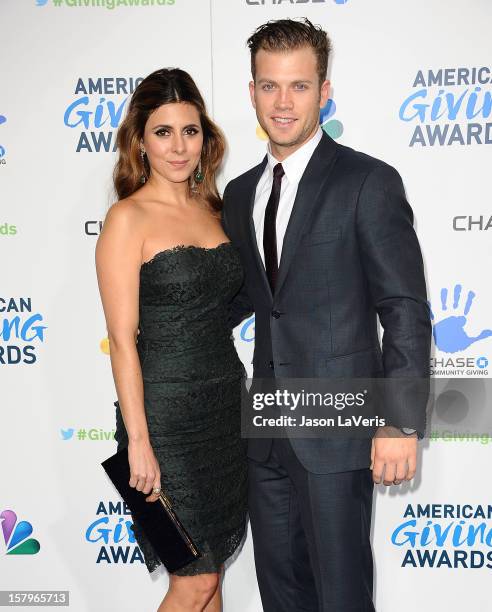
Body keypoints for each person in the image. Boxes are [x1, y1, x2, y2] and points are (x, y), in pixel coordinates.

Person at [222, 18, 431, 612]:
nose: (283, 103)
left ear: (325, 90)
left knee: (341, 598)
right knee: (280, 596)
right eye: (269, 86)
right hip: (264, 431)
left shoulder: (367, 181)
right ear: (252, 92)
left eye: (299, 86)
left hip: (337, 429)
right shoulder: (240, 193)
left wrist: (398, 423)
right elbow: (251, 299)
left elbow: (405, 309)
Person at [95, 67, 247, 612]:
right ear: (140, 140)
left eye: (190, 130)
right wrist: (138, 439)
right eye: (163, 132)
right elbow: (121, 339)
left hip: (225, 412)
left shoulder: (216, 212)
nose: (179, 146)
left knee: (214, 577)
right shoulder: (127, 218)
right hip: (162, 422)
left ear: (206, 138)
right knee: (193, 581)